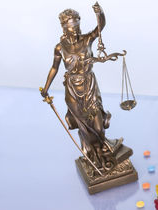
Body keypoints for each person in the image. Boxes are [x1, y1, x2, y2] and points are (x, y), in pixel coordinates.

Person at [41, 3, 121, 172]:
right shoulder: (59, 47)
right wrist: (46, 88)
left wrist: (99, 13)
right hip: (72, 88)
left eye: (77, 26)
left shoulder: (87, 39)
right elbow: (54, 68)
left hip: (89, 84)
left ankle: (103, 148)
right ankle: (94, 154)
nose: (75, 31)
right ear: (64, 28)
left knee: (97, 123)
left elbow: (100, 27)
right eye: (71, 28)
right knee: (83, 124)